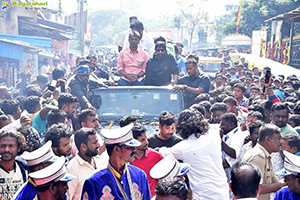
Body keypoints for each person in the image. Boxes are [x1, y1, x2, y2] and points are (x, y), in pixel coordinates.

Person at [159, 109, 229, 200]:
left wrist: (159, 149)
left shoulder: (184, 148)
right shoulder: (213, 135)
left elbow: (164, 152)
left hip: (203, 195)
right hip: (223, 191)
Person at [81, 123, 151, 200]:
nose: (134, 150)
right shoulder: (94, 181)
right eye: (130, 147)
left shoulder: (140, 175)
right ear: (117, 149)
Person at [242, 124, 286, 200]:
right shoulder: (258, 156)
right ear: (268, 140)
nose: (281, 142)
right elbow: (258, 188)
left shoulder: (265, 155)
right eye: (278, 139)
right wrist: (285, 183)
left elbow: (274, 183)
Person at [66, 128, 107, 200]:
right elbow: (68, 197)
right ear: (83, 147)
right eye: (94, 143)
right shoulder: (72, 169)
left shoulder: (99, 160)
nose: (98, 145)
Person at [130, 124, 163, 197]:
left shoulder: (156, 156)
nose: (146, 142)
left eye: (146, 139)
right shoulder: (126, 159)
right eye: (142, 140)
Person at [0, 130, 27, 200]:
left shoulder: (23, 169)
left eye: (11, 146)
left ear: (19, 148)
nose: (6, 150)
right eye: (3, 146)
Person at [220, 113, 247, 183]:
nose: (220, 127)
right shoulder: (227, 135)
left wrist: (219, 140)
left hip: (235, 177)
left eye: (223, 124)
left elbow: (234, 154)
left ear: (231, 125)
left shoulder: (238, 136)